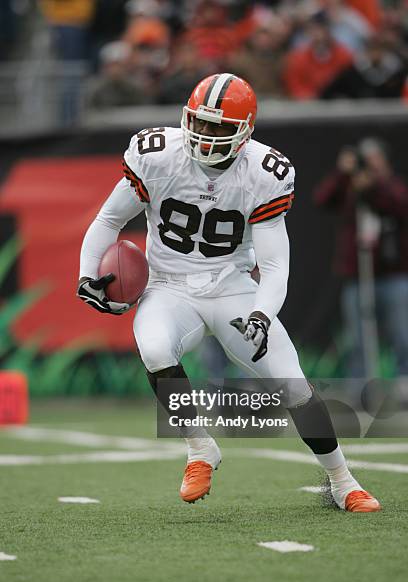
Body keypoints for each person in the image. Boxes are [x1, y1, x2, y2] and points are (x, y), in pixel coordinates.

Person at [77, 73, 380, 512]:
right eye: (199, 122)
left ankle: (341, 480)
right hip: (168, 286)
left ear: (245, 130)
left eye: (219, 127)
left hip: (232, 288)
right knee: (156, 348)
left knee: (293, 386)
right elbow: (108, 220)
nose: (204, 135)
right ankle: (200, 449)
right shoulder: (157, 156)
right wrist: (87, 275)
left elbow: (274, 265)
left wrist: (261, 313)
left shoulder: (264, 173)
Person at [314, 139, 408, 383]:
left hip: (392, 274)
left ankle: (403, 384)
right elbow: (322, 200)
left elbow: (399, 205)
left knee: (402, 334)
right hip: (357, 275)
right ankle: (362, 387)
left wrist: (373, 186)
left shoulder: (392, 187)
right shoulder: (350, 188)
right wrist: (342, 174)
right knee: (359, 338)